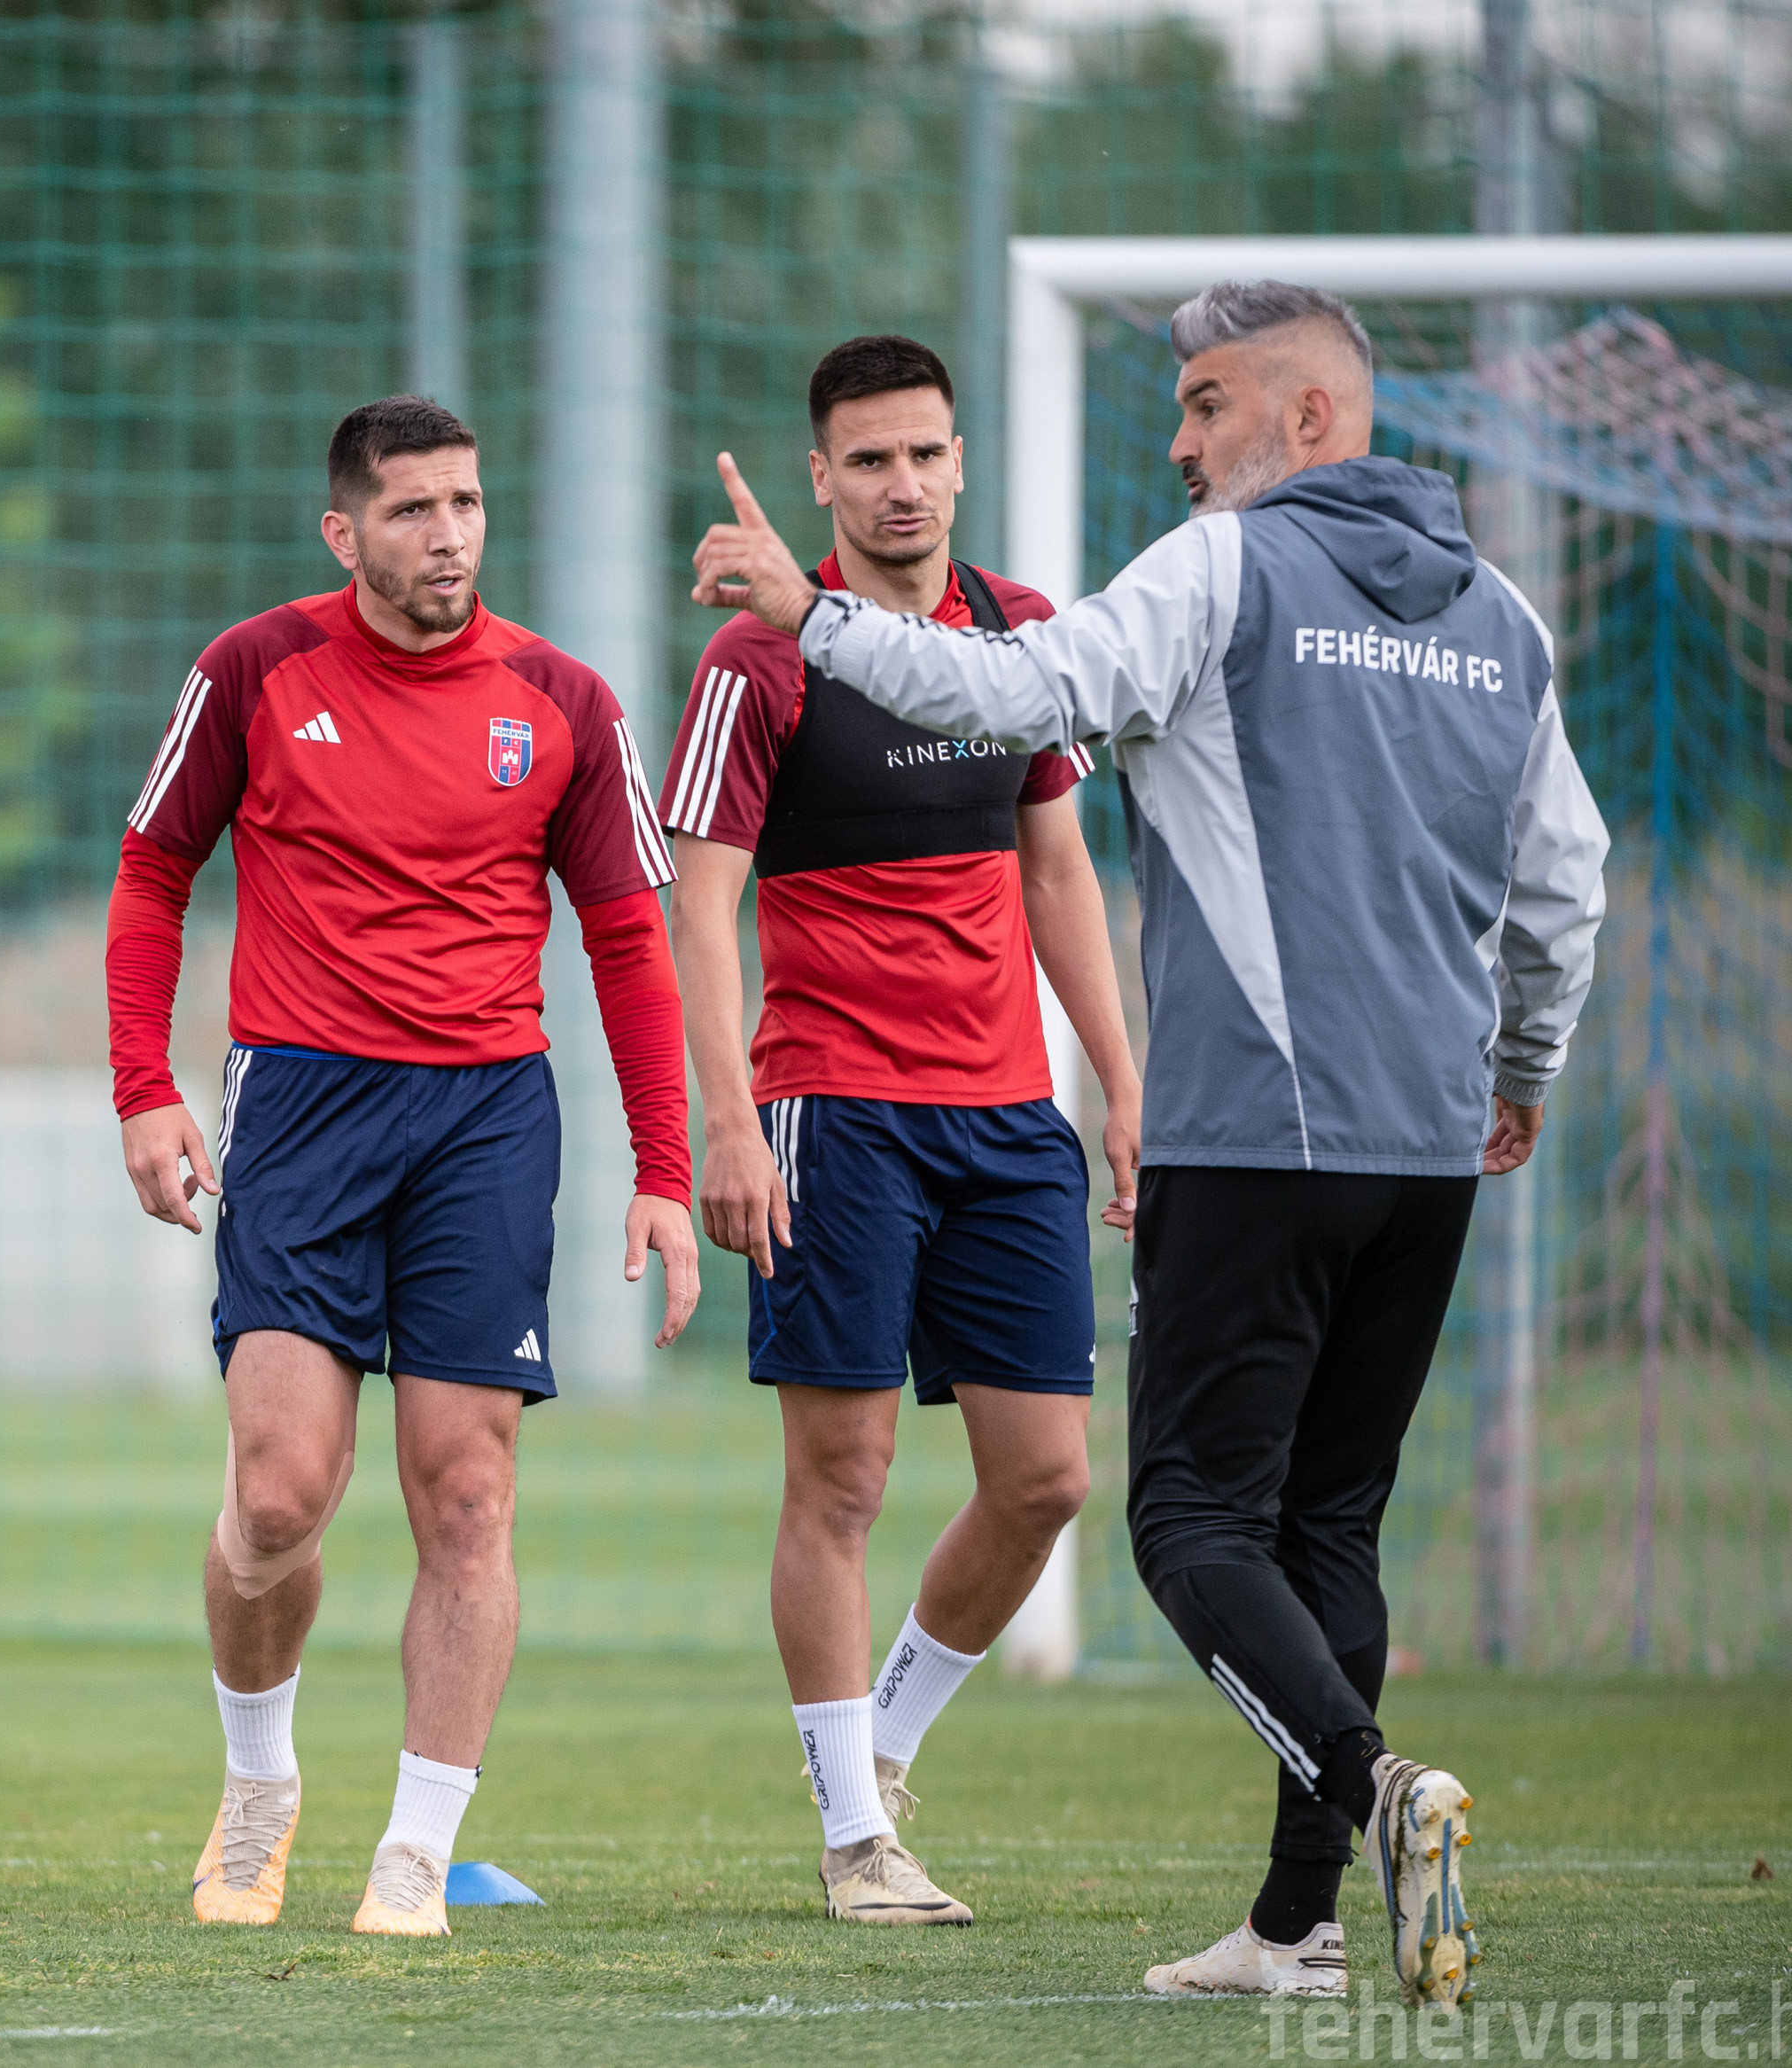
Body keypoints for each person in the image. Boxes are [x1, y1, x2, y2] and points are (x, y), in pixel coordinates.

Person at [686, 280, 1608, 2007]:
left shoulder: (1222, 570)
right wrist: (1522, 1064)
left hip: (1250, 1136)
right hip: (1428, 1152)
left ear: (1307, 417)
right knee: (1329, 1526)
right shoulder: (1499, 614)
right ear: (828, 472)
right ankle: (1289, 1924)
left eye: (1205, 405)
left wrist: (815, 617)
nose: (1178, 443)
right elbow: (1567, 878)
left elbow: (1024, 698)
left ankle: (1375, 1792)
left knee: (1183, 1521)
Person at [108, 395, 698, 1938]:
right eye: (414, 509)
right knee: (277, 1496)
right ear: (345, 531)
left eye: (468, 503)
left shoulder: (564, 699)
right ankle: (258, 1784)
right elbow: (154, 869)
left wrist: (664, 1160)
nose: (449, 535)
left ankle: (417, 1851)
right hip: (298, 1109)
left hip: (485, 1120)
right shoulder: (252, 671)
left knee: (470, 1493)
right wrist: (143, 1089)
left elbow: (629, 939)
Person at [659, 335, 1140, 1929]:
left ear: (960, 459)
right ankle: (856, 1836)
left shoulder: (1016, 631)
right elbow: (699, 911)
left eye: (925, 453)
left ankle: (882, 1742)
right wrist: (728, 1118)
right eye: (869, 459)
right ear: (822, 478)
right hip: (833, 1111)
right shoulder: (759, 659)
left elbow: (1058, 871)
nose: (903, 484)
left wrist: (1120, 1079)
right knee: (844, 1474)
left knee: (1048, 1477)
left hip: (1007, 1117)